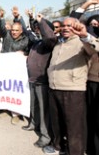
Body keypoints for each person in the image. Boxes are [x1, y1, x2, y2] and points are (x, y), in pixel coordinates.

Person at [42, 17, 99, 155]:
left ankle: (75, 152)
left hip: (73, 91)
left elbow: (95, 48)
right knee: (57, 124)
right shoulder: (59, 44)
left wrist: (85, 36)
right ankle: (58, 146)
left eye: (70, 25)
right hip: (54, 89)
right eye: (63, 25)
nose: (65, 28)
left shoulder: (82, 43)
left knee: (74, 128)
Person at [22, 13, 56, 149]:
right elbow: (27, 32)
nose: (37, 29)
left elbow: (50, 37)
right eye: (36, 27)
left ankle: (45, 136)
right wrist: (27, 19)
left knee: (43, 110)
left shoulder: (50, 43)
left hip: (43, 82)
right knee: (34, 106)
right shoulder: (37, 43)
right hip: (32, 80)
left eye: (40, 27)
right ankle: (33, 124)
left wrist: (42, 21)